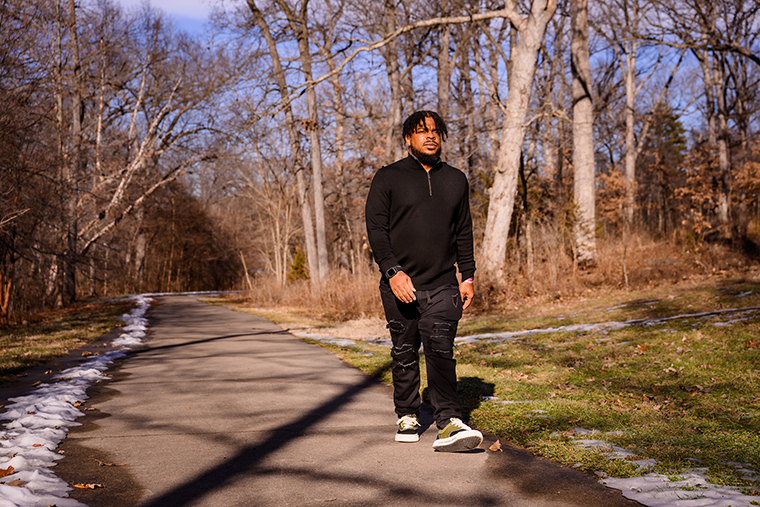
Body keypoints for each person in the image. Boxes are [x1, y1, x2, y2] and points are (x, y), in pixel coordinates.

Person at [365, 110, 482, 452]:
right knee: (404, 351)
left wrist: (468, 275)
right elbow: (377, 231)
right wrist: (393, 271)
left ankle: (449, 421)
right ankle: (407, 414)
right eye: (421, 131)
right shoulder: (387, 178)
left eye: (435, 131)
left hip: (444, 283)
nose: (430, 136)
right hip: (399, 283)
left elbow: (463, 230)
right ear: (408, 138)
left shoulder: (457, 179)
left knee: (440, 349)